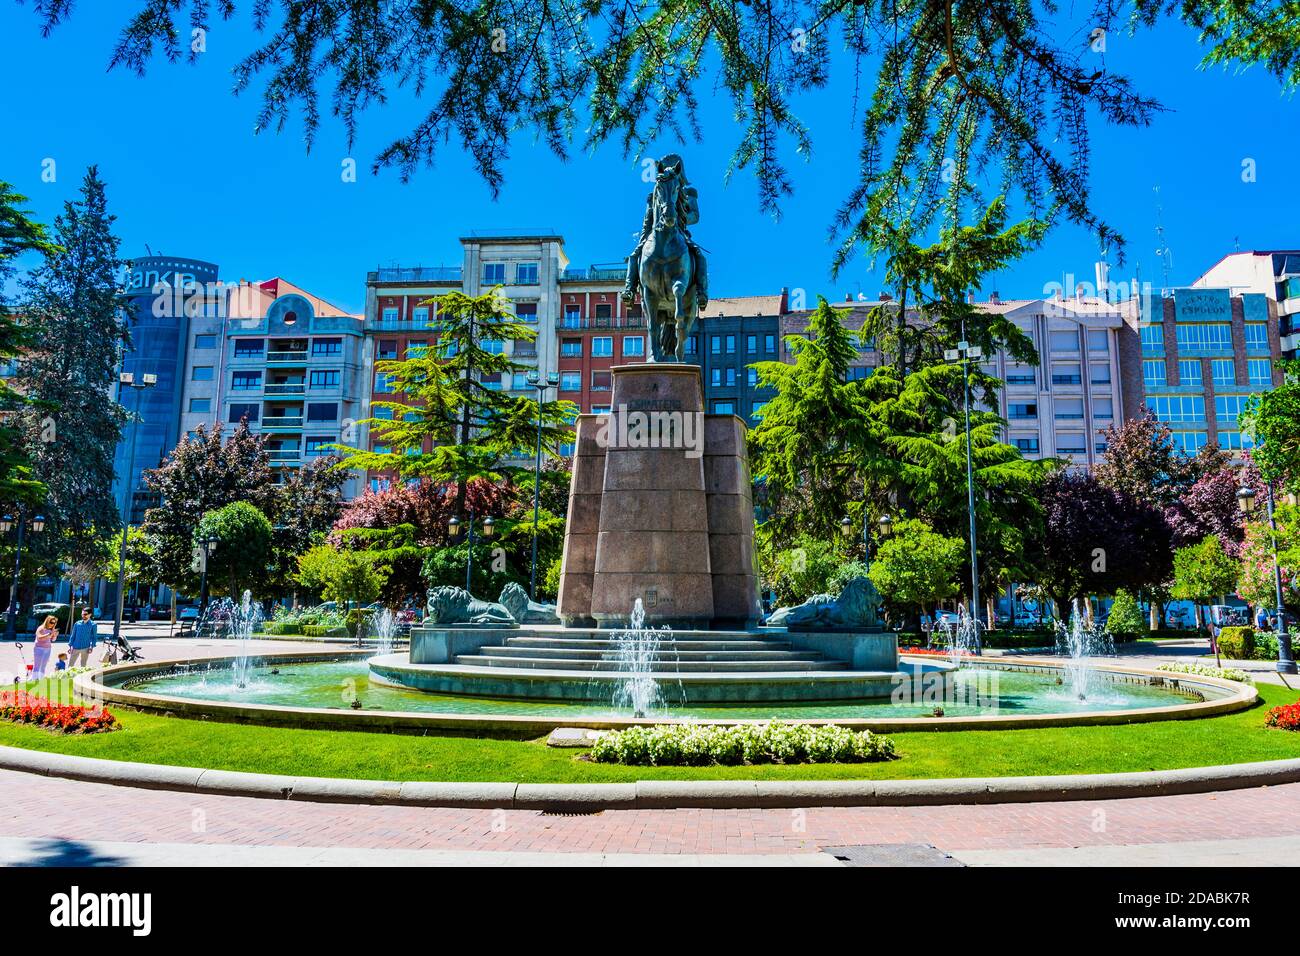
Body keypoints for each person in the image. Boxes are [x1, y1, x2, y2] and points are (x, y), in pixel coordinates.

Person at [32, 615, 58, 679]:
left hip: (48, 649)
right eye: (51, 622)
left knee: (43, 666)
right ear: (47, 621)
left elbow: (53, 640)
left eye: (54, 623)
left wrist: (55, 636)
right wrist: (48, 635)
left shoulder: (52, 630)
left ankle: (41, 680)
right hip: (39, 648)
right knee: (37, 665)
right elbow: (39, 637)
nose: (52, 624)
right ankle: (34, 680)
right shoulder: (41, 628)